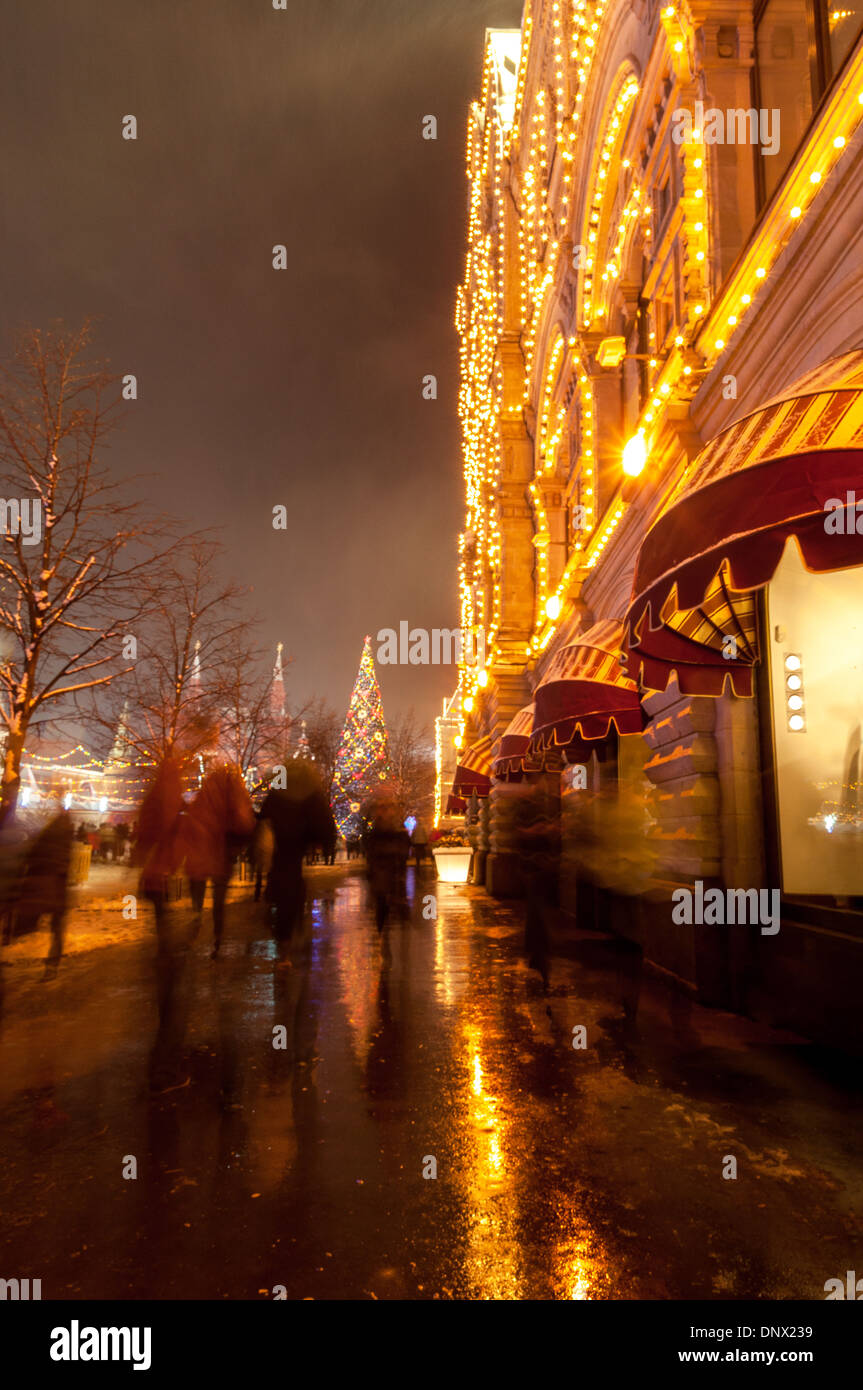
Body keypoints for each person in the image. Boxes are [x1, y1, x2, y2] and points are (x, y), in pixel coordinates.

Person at [259, 763, 336, 957]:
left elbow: (265, 813)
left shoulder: (278, 789)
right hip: (298, 843)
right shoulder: (311, 790)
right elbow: (324, 821)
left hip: (280, 843)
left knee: (280, 875)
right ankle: (289, 927)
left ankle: (277, 915)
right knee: (293, 881)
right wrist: (326, 842)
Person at [183, 765, 256, 959]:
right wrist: (237, 846)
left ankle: (196, 916)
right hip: (222, 856)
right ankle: (217, 935)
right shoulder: (235, 795)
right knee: (219, 899)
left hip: (200, 854)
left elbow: (191, 823)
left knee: (198, 887)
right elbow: (245, 824)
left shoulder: (204, 794)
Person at [133, 757, 186, 954]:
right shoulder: (173, 796)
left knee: (159, 901)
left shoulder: (155, 795)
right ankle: (165, 943)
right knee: (161, 901)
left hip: (157, 860)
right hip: (164, 858)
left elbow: (146, 827)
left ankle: (163, 941)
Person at [17, 804, 74, 974]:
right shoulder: (64, 844)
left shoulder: (44, 838)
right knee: (57, 927)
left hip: (39, 887)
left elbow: (29, 858)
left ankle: (50, 962)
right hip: (54, 889)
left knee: (43, 920)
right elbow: (63, 868)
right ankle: (52, 963)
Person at [364, 800, 410, 931]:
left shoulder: (384, 828)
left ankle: (382, 927)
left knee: (383, 898)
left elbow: (370, 847)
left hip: (384, 868)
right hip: (384, 868)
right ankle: (383, 926)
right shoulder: (388, 828)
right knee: (383, 898)